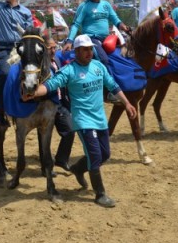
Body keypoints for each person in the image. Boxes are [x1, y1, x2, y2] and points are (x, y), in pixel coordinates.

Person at [23, 34, 137, 207]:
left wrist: (127, 103)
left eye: (91, 49)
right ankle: (100, 194)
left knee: (105, 154)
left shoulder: (98, 66)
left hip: (100, 119)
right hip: (83, 121)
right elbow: (50, 85)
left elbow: (113, 85)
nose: (89, 52)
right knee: (95, 156)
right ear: (76, 51)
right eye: (85, 49)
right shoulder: (69, 70)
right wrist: (33, 92)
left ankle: (77, 168)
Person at [63, 0, 130, 67]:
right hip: (91, 39)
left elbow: (116, 20)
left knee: (121, 57)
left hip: (106, 39)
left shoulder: (106, 5)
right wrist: (69, 41)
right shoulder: (84, 6)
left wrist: (124, 27)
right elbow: (76, 24)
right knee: (104, 60)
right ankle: (106, 80)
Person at [46, 37, 74, 173]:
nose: (53, 51)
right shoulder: (40, 65)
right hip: (46, 105)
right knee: (45, 137)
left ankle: (61, 159)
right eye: (50, 48)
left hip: (61, 102)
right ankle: (46, 166)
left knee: (70, 130)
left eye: (54, 48)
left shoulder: (57, 60)